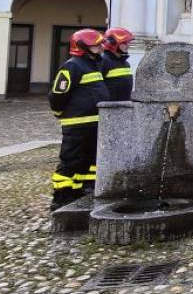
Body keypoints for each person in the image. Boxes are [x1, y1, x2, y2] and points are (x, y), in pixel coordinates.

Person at [48, 29, 109, 209]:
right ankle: (61, 196)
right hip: (77, 124)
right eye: (96, 45)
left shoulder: (92, 65)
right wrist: (60, 113)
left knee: (87, 160)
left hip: (92, 122)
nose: (100, 48)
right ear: (82, 47)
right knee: (71, 161)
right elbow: (58, 95)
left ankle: (79, 190)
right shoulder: (72, 66)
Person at [100, 27, 135, 101]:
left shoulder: (125, 63)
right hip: (109, 109)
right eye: (124, 43)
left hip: (123, 107)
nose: (128, 46)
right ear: (112, 43)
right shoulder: (103, 61)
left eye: (128, 43)